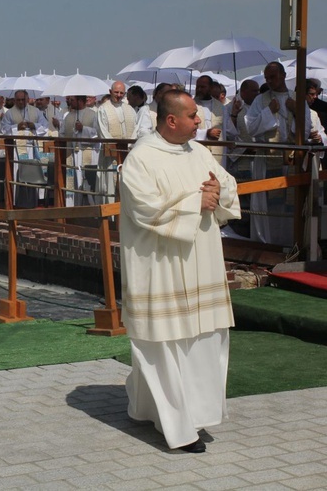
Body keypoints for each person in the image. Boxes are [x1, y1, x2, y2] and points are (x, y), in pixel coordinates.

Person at [119, 89, 241, 453]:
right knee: (164, 342)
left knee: (203, 339)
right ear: (171, 120)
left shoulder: (199, 151)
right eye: (192, 116)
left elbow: (226, 184)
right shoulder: (141, 158)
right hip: (161, 266)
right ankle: (177, 427)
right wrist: (195, 202)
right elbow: (144, 208)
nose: (199, 121)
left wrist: (218, 190)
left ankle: (187, 412)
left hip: (201, 263)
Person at [245, 61, 312, 245]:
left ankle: (289, 242)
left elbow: (306, 130)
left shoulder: (297, 99)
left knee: (289, 205)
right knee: (269, 205)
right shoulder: (261, 100)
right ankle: (269, 242)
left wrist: (295, 111)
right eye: (267, 78)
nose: (270, 81)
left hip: (291, 159)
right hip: (268, 158)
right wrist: (269, 111)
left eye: (273, 77)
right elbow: (251, 127)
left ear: (283, 75)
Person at [96, 81, 136, 204]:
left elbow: (135, 129)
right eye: (116, 92)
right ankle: (111, 216)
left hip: (127, 153)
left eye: (121, 93)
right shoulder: (103, 109)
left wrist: (129, 146)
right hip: (111, 155)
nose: (119, 95)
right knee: (110, 183)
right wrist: (114, 147)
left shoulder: (129, 109)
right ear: (110, 92)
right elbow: (102, 130)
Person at [194, 75, 225, 163]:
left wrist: (234, 114)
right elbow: (185, 130)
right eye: (198, 87)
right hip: (197, 152)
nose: (199, 89)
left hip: (216, 153)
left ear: (211, 88)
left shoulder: (221, 107)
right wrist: (206, 133)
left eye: (203, 87)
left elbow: (228, 131)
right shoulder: (190, 105)